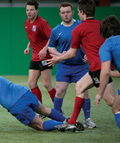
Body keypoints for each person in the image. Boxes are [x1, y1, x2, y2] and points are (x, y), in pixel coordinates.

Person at [46, 0, 115, 130]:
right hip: (97, 66)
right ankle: (72, 121)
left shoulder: (79, 28)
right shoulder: (101, 25)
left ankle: (83, 119)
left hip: (98, 68)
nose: (75, 14)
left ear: (81, 12)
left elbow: (72, 53)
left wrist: (58, 59)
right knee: (80, 87)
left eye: (77, 11)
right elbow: (105, 44)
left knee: (111, 101)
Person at [0, 69, 84, 132]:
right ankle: (67, 120)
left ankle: (65, 125)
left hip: (17, 105)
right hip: (25, 93)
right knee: (45, 110)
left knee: (39, 125)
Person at [48, 2, 96, 128]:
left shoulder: (81, 25)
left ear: (73, 12)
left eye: (68, 12)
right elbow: (51, 47)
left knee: (85, 92)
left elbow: (89, 42)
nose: (66, 14)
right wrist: (59, 55)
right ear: (60, 14)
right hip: (64, 66)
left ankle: (87, 119)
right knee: (59, 91)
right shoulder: (56, 30)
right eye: (63, 12)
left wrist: (88, 54)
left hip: (80, 66)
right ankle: (57, 118)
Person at [24, 0, 56, 108]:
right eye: (27, 10)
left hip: (45, 57)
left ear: (37, 10)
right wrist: (28, 47)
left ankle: (59, 109)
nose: (29, 12)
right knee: (31, 83)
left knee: (47, 84)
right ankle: (41, 109)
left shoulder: (42, 23)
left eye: (31, 10)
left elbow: (52, 37)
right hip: (35, 57)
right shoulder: (26, 23)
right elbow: (33, 38)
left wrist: (44, 49)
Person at [96, 15, 120, 129]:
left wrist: (100, 93)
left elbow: (105, 72)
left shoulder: (106, 46)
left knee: (117, 108)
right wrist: (111, 73)